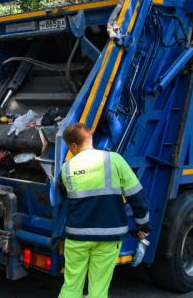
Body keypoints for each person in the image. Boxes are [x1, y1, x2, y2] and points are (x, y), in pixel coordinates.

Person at [58, 122, 150, 298]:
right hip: (110, 235)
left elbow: (67, 197)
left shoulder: (67, 168)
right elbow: (137, 196)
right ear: (90, 139)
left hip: (78, 236)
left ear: (74, 146)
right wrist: (142, 225)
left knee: (71, 286)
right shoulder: (114, 160)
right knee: (98, 290)